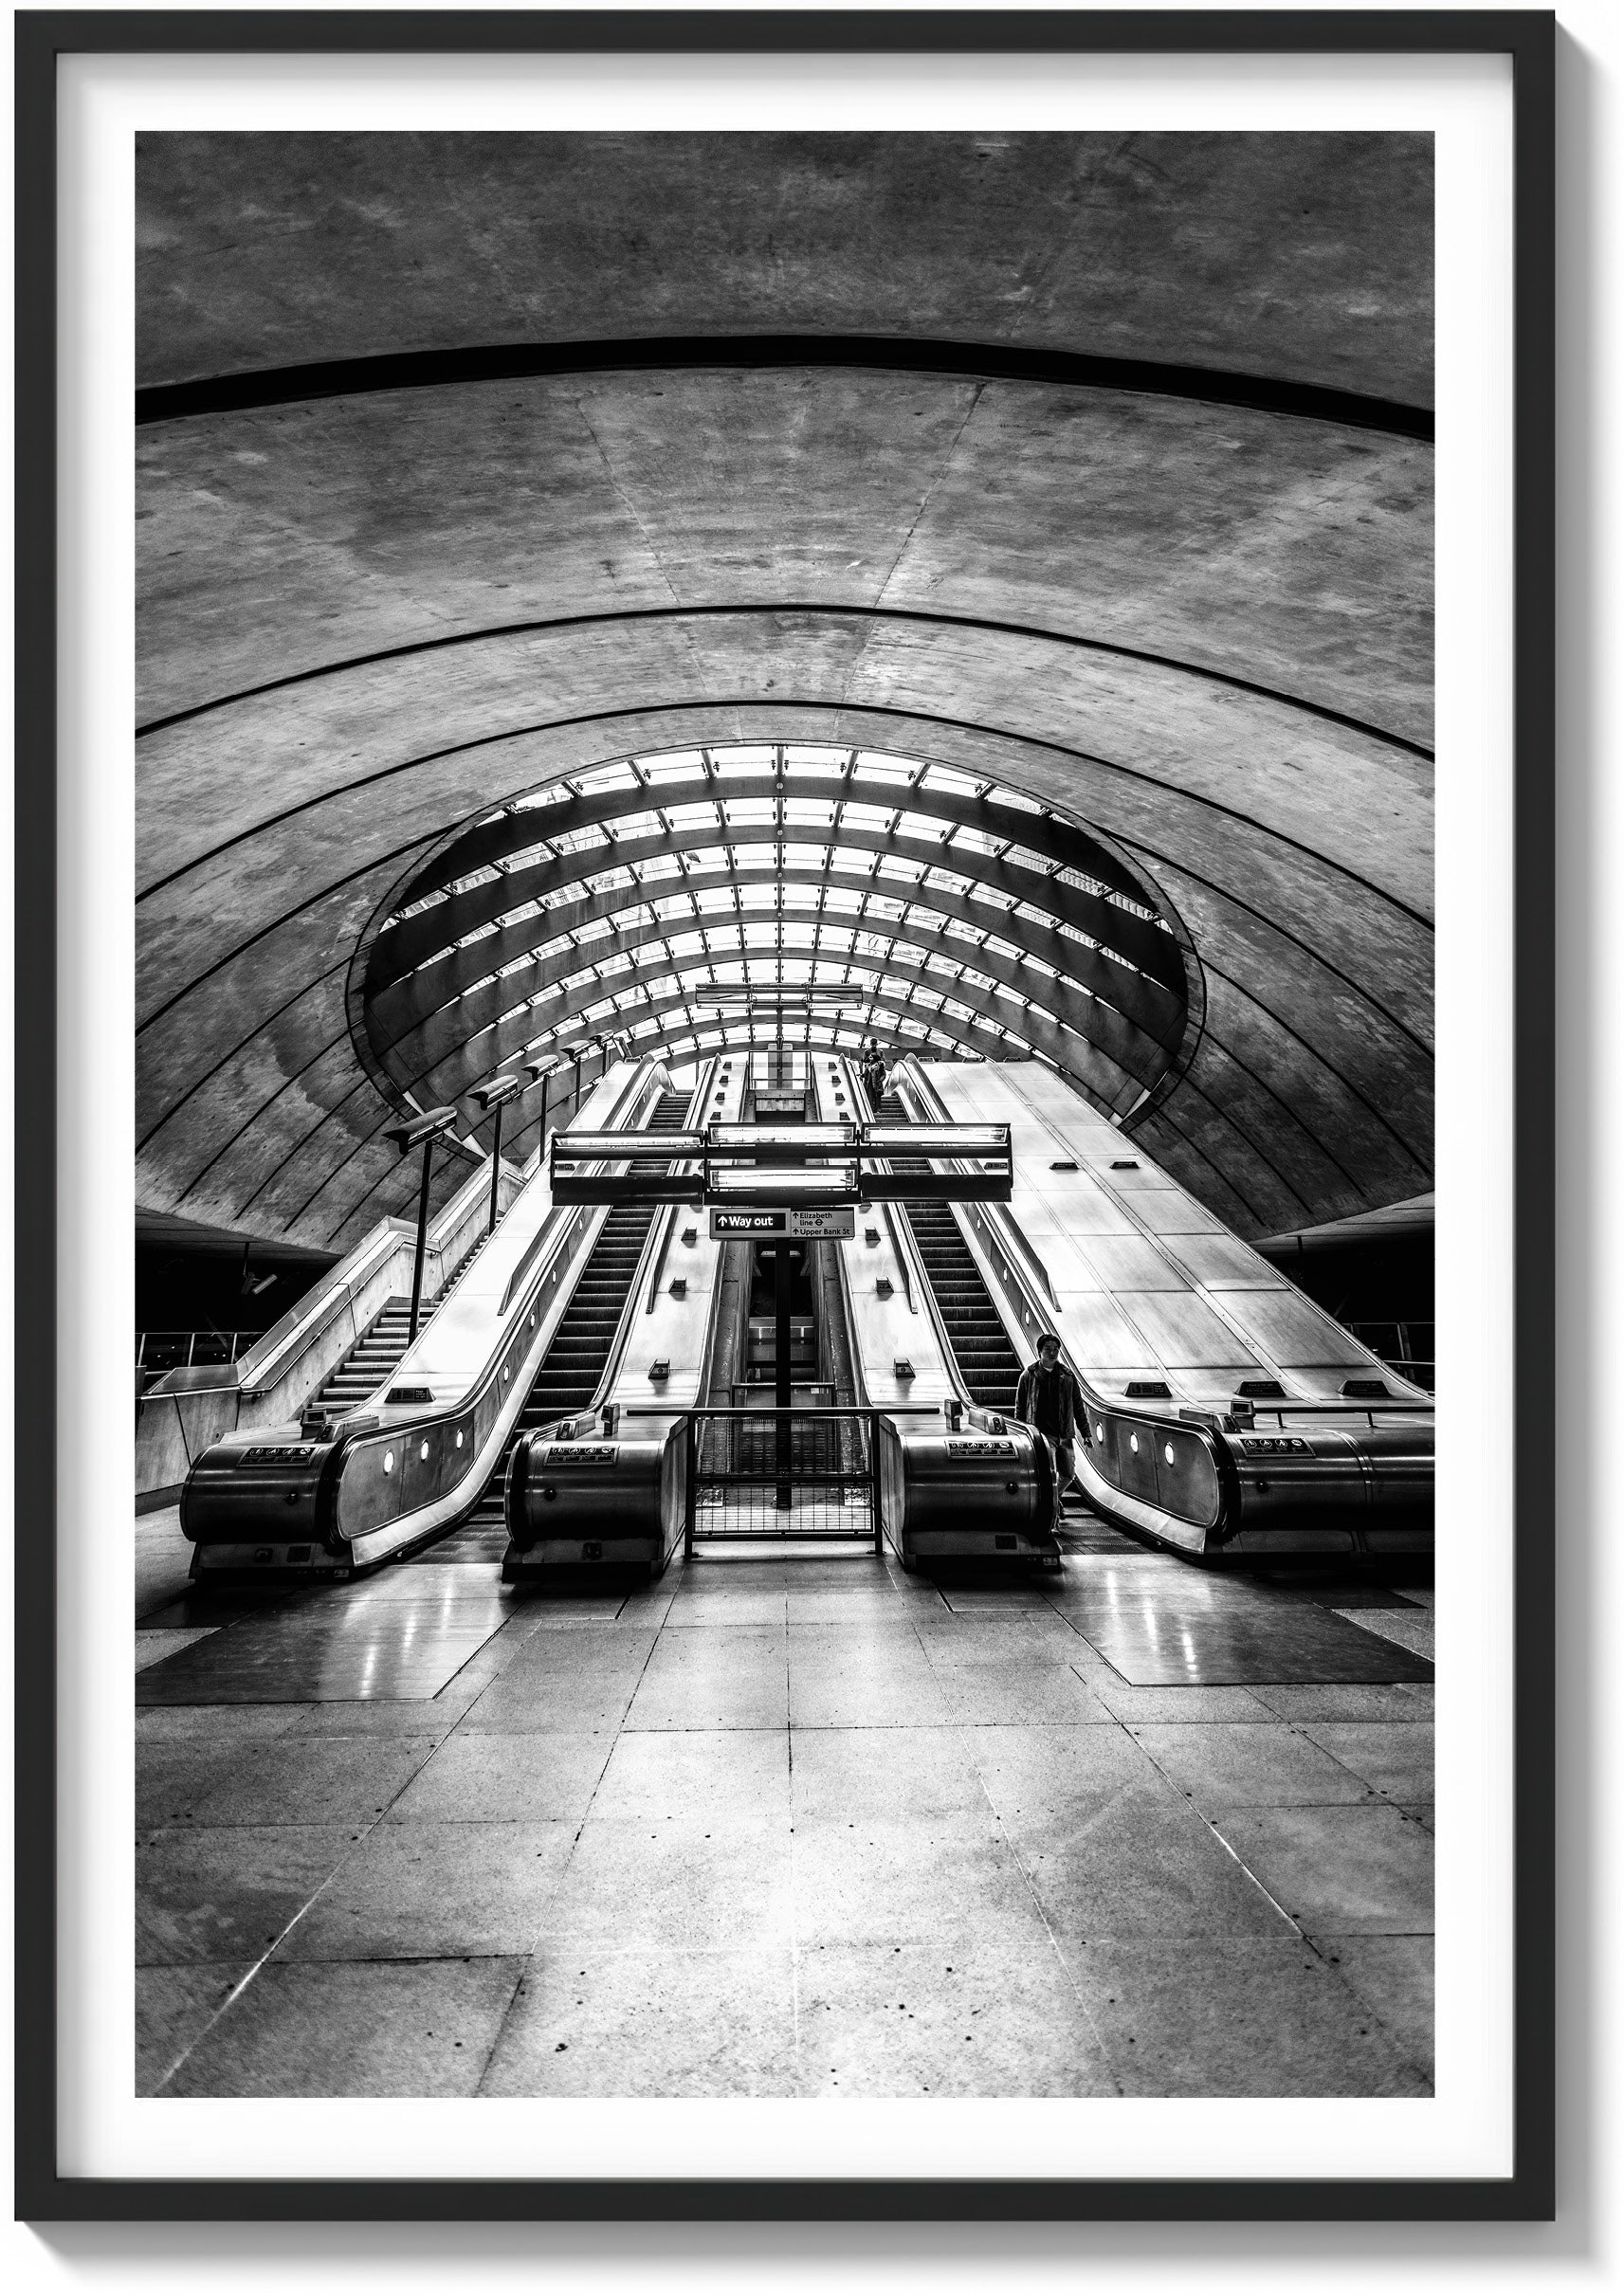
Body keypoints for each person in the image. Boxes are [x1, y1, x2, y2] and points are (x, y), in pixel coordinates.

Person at [1015, 1333, 1087, 1513]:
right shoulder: (1029, 1375)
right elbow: (1020, 1406)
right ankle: (1052, 1516)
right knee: (1050, 1475)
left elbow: (1078, 1406)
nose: (1052, 1353)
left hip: (1064, 1433)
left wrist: (1086, 1432)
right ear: (1039, 1351)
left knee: (1068, 1474)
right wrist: (1019, 1433)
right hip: (1042, 1434)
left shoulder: (1067, 1376)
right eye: (1048, 1349)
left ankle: (1054, 1499)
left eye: (1055, 1349)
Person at [860, 1036, 886, 1111]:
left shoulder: (879, 1062)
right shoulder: (869, 1053)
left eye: (874, 1044)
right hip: (870, 1080)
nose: (874, 1046)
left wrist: (880, 1080)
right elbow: (865, 1062)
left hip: (876, 1080)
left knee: (876, 1095)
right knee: (871, 1095)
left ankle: (876, 1108)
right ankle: (873, 1108)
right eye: (873, 1044)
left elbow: (883, 1073)